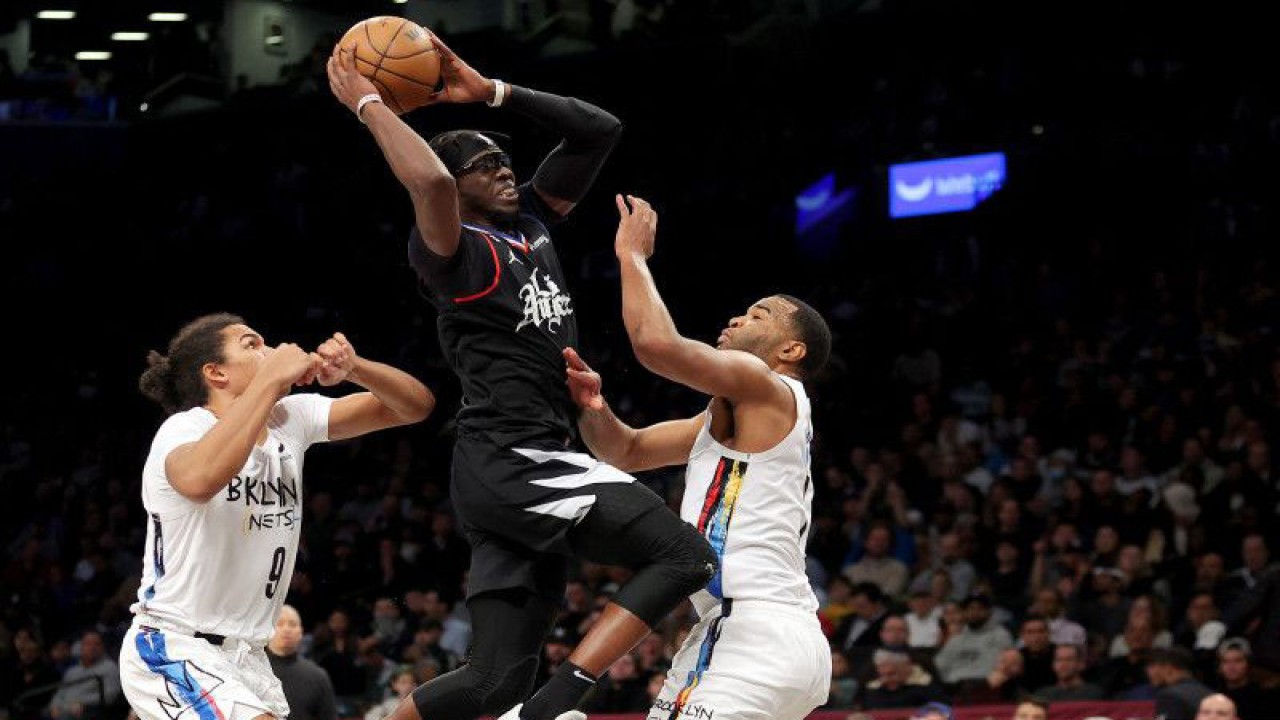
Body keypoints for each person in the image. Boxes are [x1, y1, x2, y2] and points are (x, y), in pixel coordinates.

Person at [326, 35, 717, 720]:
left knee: (492, 684)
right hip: (513, 457)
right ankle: (560, 705)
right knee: (683, 555)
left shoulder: (532, 222)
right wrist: (368, 104)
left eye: (505, 160)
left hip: (513, 464)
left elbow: (600, 130)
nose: (504, 171)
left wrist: (493, 93)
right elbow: (432, 182)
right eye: (485, 167)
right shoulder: (451, 253)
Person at [560, 196, 834, 719]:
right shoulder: (734, 420)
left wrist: (632, 258)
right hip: (759, 633)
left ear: (791, 351)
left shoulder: (769, 384)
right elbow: (625, 450)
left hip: (752, 630)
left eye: (760, 314)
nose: (738, 316)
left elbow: (654, 344)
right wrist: (595, 407)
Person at [118, 313, 434, 720]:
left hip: (248, 655)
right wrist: (271, 380)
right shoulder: (185, 428)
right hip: (174, 644)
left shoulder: (290, 419)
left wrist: (355, 369)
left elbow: (415, 406)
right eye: (250, 344)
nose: (268, 350)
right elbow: (198, 480)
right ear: (215, 373)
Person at [267, 606, 338, 720]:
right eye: (279, 623)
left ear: (301, 632)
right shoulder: (251, 671)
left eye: (293, 624)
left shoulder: (317, 675)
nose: (286, 629)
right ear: (266, 630)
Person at [47, 631, 122, 719]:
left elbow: (110, 695)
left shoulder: (110, 667)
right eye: (88, 644)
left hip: (88, 710)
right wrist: (54, 706)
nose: (92, 648)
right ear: (81, 647)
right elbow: (60, 693)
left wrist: (83, 702)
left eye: (97, 644)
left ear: (102, 648)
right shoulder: (72, 671)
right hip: (64, 708)